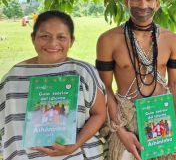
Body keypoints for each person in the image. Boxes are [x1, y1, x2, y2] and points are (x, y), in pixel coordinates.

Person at [96, 0, 176, 160]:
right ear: (126, 1)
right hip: (126, 120)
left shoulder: (171, 40)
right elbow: (104, 89)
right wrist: (120, 131)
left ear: (157, 3)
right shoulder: (108, 40)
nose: (143, 5)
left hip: (162, 118)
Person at [0, 10, 107, 159]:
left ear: (71, 41)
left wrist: (74, 145)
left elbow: (100, 113)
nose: (52, 43)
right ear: (33, 38)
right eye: (45, 36)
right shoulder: (14, 78)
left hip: (76, 155)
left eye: (61, 37)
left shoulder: (83, 72)